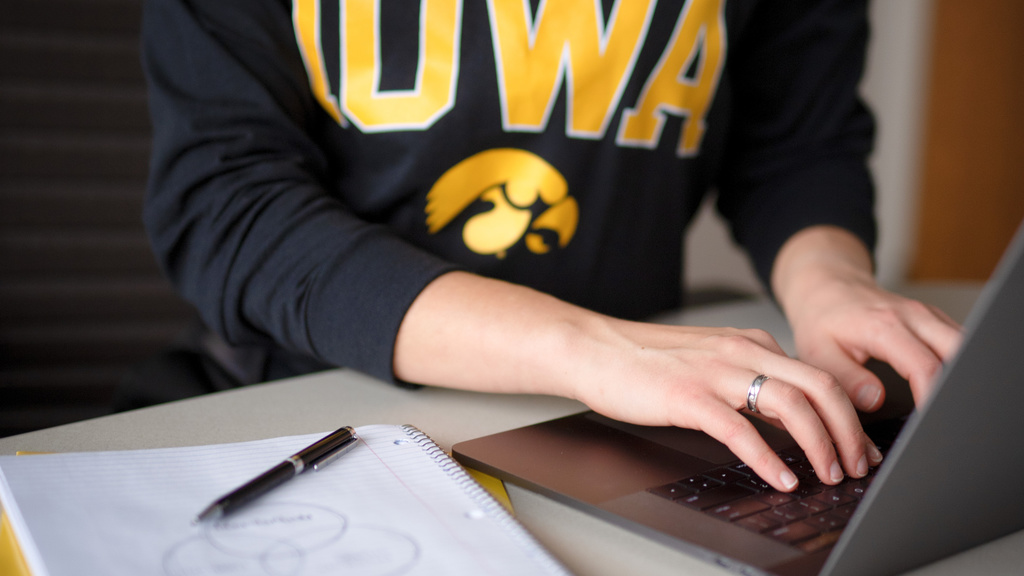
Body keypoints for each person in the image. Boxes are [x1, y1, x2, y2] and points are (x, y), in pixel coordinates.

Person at [137, 0, 961, 494]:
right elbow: (229, 205)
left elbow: (795, 143)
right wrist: (592, 348)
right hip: (316, 413)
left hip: (619, 426)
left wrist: (832, 282)